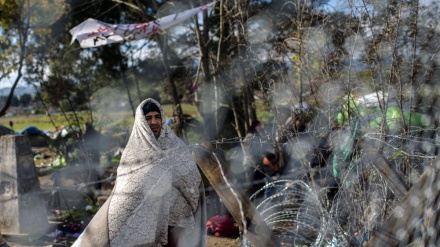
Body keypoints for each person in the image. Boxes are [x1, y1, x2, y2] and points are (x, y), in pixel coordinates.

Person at [72, 98, 206, 247]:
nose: (154, 122)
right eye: (148, 118)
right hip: (144, 224)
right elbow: (128, 189)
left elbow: (191, 177)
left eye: (157, 117)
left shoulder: (177, 146)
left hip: (176, 224)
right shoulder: (132, 153)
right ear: (141, 122)